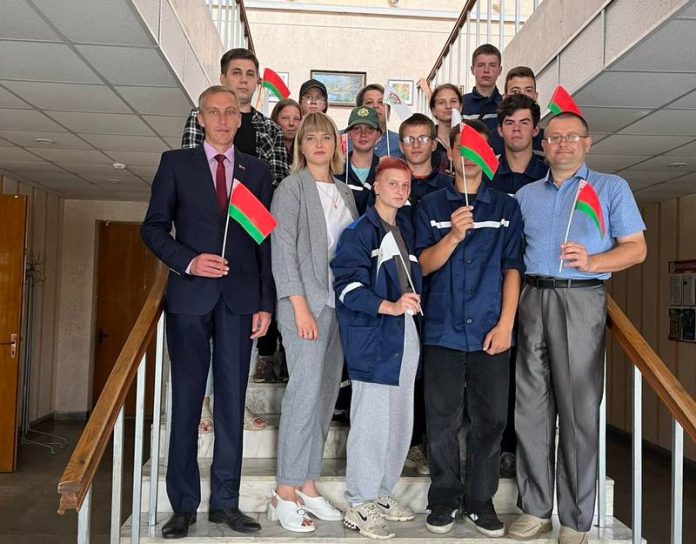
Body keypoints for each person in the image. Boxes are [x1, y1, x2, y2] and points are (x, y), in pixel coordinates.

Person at [508, 110, 646, 544]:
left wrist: (594, 261)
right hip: (532, 297)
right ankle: (534, 509)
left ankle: (575, 520)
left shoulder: (609, 188)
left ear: (587, 143)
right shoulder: (526, 195)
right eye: (554, 137)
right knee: (530, 409)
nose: (562, 144)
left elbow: (636, 248)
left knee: (578, 413)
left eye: (571, 137)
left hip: (581, 298)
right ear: (543, 145)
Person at [141, 86, 273, 539]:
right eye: (213, 112)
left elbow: (263, 240)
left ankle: (226, 504)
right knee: (186, 402)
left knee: (232, 404)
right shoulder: (175, 164)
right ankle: (183, 506)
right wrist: (189, 261)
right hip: (190, 298)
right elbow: (153, 228)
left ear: (239, 119)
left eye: (230, 112)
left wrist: (265, 302)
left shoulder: (257, 170)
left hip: (239, 301)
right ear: (200, 118)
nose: (222, 119)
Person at [415, 120, 523, 538]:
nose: (469, 156)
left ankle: (480, 501)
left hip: (491, 331)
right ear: (450, 156)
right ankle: (444, 499)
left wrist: (506, 324)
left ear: (489, 156)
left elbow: (513, 268)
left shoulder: (506, 208)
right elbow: (422, 267)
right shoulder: (430, 206)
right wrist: (453, 236)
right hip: (441, 330)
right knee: (441, 420)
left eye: (479, 148)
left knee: (490, 420)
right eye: (463, 148)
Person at [268, 112, 359, 532]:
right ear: (300, 146)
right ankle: (284, 491)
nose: (319, 144)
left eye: (326, 136)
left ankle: (307, 483)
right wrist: (299, 306)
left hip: (339, 307)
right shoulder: (290, 189)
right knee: (303, 396)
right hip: (305, 306)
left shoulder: (346, 192)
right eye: (310, 137)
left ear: (336, 144)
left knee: (324, 398)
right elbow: (283, 250)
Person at [332, 157, 423, 540]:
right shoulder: (359, 232)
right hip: (374, 336)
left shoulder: (405, 230)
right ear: (376, 187)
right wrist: (390, 306)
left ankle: (382, 493)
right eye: (392, 184)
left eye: (405, 185)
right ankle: (360, 502)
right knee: (371, 424)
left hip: (405, 334)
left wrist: (405, 311)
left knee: (399, 422)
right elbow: (347, 287)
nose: (400, 191)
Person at [181, 48, 289, 186]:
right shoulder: (201, 116)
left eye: (250, 74)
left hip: (255, 199)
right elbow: (190, 167)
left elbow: (278, 182)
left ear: (257, 81)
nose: (244, 80)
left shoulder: (272, 129)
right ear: (223, 79)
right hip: (205, 196)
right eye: (236, 73)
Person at [399, 113, 454, 205]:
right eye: (409, 140)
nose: (416, 145)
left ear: (434, 145)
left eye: (423, 139)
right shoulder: (392, 184)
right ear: (401, 147)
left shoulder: (449, 184)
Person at [335, 106, 381, 215]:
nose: (363, 134)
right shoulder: (335, 170)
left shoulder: (385, 171)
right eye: (356, 129)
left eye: (369, 128)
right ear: (348, 134)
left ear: (378, 135)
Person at [489, 66, 544, 154]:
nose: (522, 95)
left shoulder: (547, 140)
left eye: (528, 90)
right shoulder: (490, 141)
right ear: (504, 97)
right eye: (515, 91)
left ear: (535, 96)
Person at [461, 44, 503, 139]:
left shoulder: (506, 104)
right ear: (472, 69)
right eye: (481, 65)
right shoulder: (461, 103)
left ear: (499, 70)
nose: (486, 70)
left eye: (492, 65)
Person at [356, 84, 403, 158]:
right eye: (369, 102)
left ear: (388, 111)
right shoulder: (343, 140)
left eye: (381, 102)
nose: (375, 106)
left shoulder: (401, 143)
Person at [428, 84, 462, 174]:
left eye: (453, 101)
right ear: (433, 110)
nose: (448, 106)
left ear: (461, 107)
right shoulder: (427, 141)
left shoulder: (471, 138)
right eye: (441, 102)